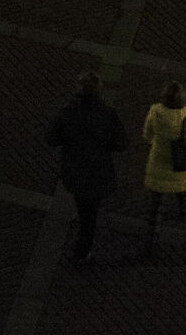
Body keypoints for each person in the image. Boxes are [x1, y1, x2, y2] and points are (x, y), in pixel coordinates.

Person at [46, 71, 128, 263]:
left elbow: (51, 139)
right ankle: (82, 252)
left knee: (84, 206)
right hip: (98, 171)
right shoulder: (107, 115)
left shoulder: (67, 113)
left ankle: (81, 246)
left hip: (74, 170)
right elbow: (122, 143)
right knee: (90, 214)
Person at [139, 82, 186, 249]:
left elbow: (147, 135)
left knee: (155, 202)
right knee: (181, 190)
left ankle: (150, 237)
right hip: (178, 166)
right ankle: (184, 209)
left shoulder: (155, 112)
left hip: (158, 163)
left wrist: (158, 142)